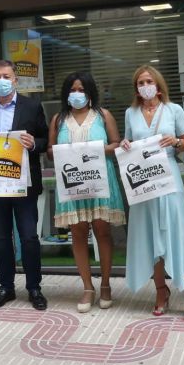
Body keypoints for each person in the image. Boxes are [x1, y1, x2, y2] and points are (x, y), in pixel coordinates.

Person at [120, 65, 184, 320]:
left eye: (149, 81)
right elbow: (128, 143)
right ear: (136, 87)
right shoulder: (130, 113)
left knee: (177, 232)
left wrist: (176, 142)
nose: (145, 86)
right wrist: (125, 145)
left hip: (168, 180)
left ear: (158, 84)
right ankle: (160, 290)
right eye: (140, 82)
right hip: (143, 184)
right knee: (148, 234)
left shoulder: (174, 110)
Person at [0, 60, 49, 310]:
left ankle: (34, 287)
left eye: (6, 76)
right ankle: (6, 287)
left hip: (23, 183)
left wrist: (33, 142)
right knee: (1, 238)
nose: (1, 81)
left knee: (29, 237)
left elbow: (45, 139)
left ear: (15, 80)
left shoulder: (32, 106)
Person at [47, 72, 125, 313]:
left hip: (100, 179)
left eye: (81, 89)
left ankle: (105, 285)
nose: (77, 94)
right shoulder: (59, 119)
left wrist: (97, 149)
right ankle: (87, 287)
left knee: (102, 231)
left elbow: (116, 143)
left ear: (90, 93)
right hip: (72, 182)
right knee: (78, 233)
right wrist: (62, 151)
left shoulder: (103, 116)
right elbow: (49, 151)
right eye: (72, 89)